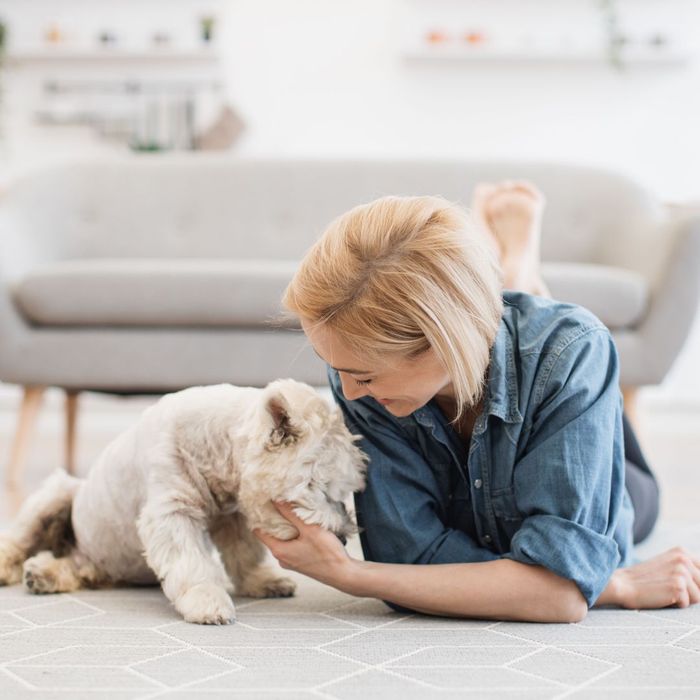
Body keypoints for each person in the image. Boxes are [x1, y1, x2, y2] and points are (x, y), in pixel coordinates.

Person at [254, 182, 700, 623]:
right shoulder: (359, 380)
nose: (347, 394)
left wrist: (350, 574)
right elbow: (411, 558)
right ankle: (513, 280)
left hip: (614, 470)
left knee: (637, 506)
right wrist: (587, 582)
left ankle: (521, 274)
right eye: (337, 368)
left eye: (364, 375)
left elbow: (560, 596)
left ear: (442, 344)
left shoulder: (573, 351)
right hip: (486, 354)